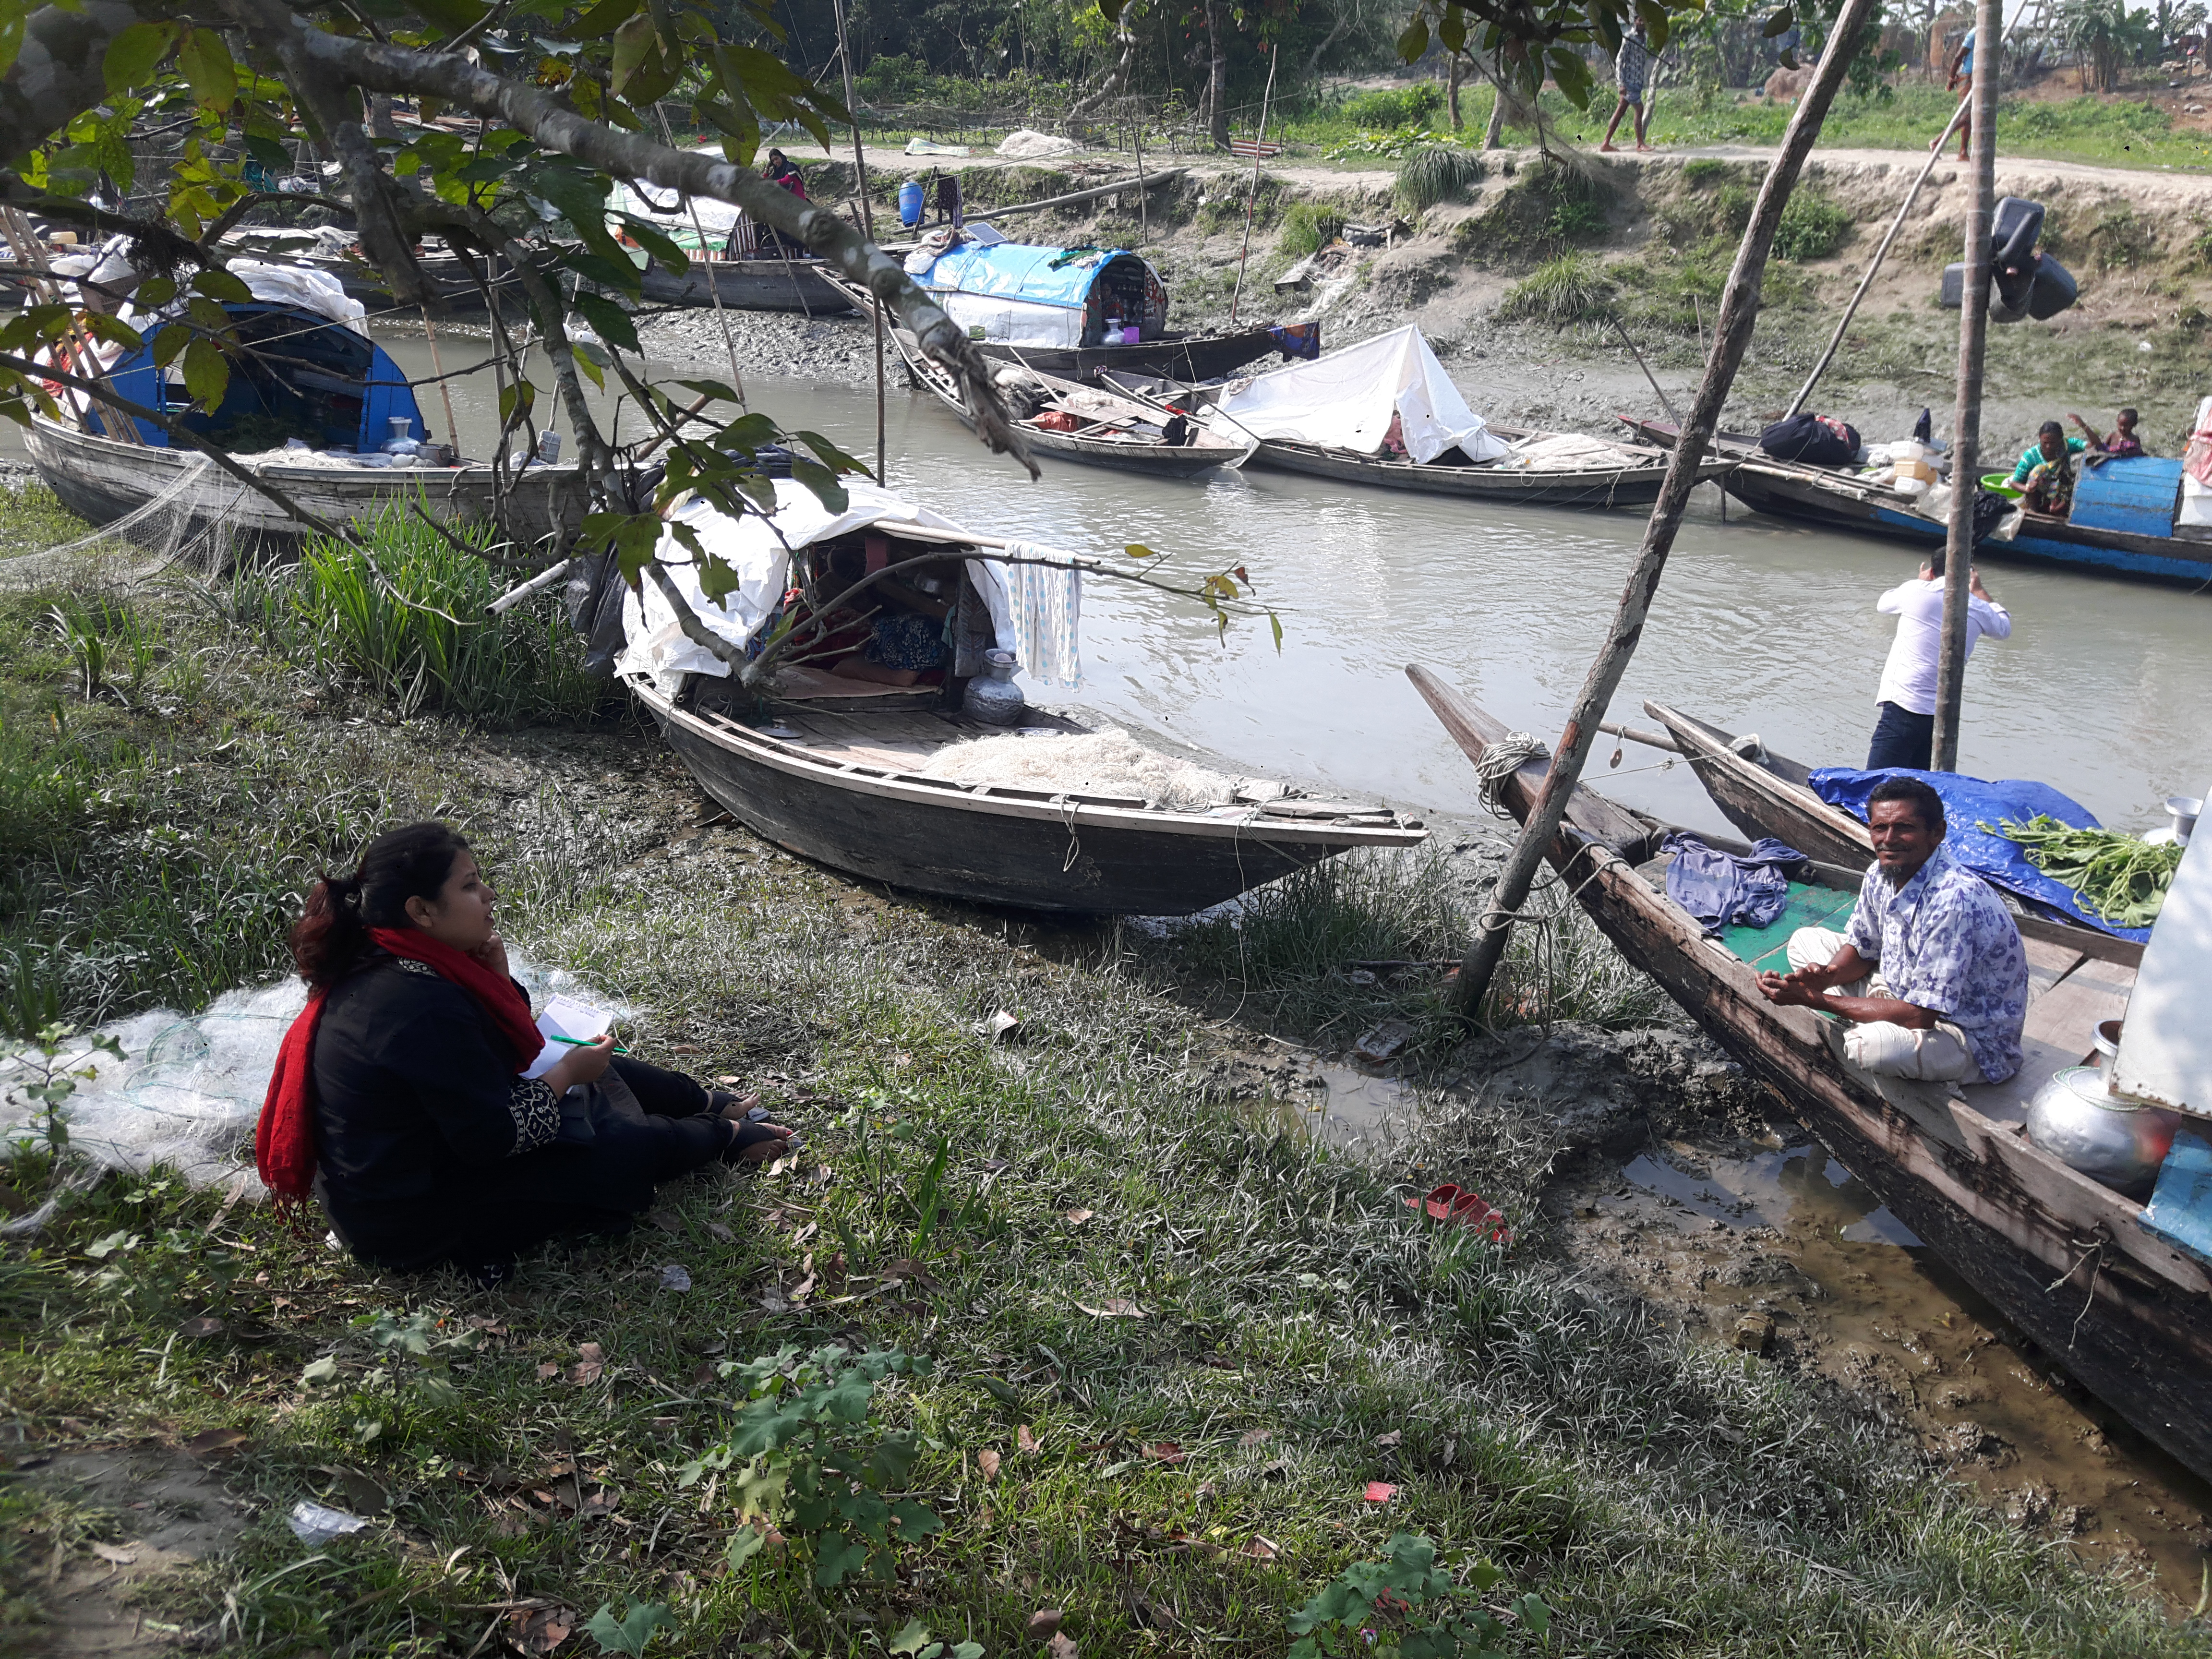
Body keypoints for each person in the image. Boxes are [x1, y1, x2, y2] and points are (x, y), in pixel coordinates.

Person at [256, 823, 795, 1278]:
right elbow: (495, 1135)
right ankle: (718, 1135)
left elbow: (494, 1057)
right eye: (470, 886)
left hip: (428, 1162)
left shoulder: (399, 964)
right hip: (413, 1221)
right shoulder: (415, 1001)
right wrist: (563, 1076)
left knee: (600, 1070)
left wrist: (499, 979)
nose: (488, 895)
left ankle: (698, 1100)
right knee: (615, 1144)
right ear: (421, 910)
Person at [1758, 776, 2027, 1085]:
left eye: (1905, 828)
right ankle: (1872, 1014)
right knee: (1804, 942)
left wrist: (1816, 1000)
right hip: (1900, 988)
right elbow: (1863, 948)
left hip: (1962, 1034)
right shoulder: (1880, 873)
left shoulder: (1954, 901)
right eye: (1879, 828)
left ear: (1937, 833)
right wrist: (1826, 977)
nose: (1889, 839)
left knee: (1868, 1047)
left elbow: (1922, 1016)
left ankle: (1873, 1023)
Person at [1865, 549, 2010, 771]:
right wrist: (1980, 591)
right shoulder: (1979, 608)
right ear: (1970, 574)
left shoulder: (1916, 591)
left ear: (1932, 571)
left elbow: (1883, 604)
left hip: (1904, 706)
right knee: (1921, 786)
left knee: (1876, 783)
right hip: (1943, 716)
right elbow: (2004, 628)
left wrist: (1920, 581)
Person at [1600, 23, 1656, 153]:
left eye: (1644, 20)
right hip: (1628, 81)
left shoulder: (1645, 39)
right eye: (1640, 20)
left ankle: (1606, 143)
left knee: (1620, 111)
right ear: (1635, 21)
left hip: (1638, 81)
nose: (1642, 23)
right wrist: (1621, 83)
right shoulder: (1629, 38)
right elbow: (1620, 61)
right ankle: (1640, 144)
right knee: (1640, 108)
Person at [1935, 26, 1975, 161]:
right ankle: (1937, 142)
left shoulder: (1992, 33)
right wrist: (1951, 78)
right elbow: (1958, 57)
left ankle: (1963, 152)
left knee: (1969, 119)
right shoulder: (1975, 34)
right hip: (1968, 77)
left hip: (1978, 77)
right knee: (1967, 116)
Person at [2008, 419, 2087, 486]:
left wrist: (2084, 426)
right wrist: (2028, 489)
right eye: (2045, 443)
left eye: (2053, 443)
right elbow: (2015, 483)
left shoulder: (2067, 445)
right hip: (2038, 494)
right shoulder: (2030, 456)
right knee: (2039, 470)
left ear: (2061, 439)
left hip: (2062, 490)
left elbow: (2095, 446)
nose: (2048, 447)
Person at [2072, 406, 2144, 461]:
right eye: (2120, 425)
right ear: (2117, 422)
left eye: (2126, 426)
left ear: (2134, 424)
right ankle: (2084, 426)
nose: (2123, 428)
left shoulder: (2135, 439)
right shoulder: (2113, 436)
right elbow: (2101, 447)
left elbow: (2138, 455)